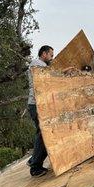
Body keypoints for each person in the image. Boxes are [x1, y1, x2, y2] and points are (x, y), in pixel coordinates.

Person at [26, 45, 54, 177]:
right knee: (43, 135)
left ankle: (33, 160)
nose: (52, 57)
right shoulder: (37, 64)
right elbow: (51, 76)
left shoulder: (40, 64)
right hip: (36, 105)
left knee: (43, 133)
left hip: (37, 105)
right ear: (44, 54)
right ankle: (35, 167)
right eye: (51, 55)